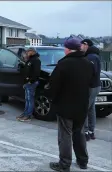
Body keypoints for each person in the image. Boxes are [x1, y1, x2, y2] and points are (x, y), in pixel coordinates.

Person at [49, 38, 95, 171]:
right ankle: (83, 161)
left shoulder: (64, 64)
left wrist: (53, 99)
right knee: (79, 134)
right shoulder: (88, 63)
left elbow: (54, 85)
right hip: (81, 106)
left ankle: (64, 164)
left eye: (65, 48)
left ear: (68, 49)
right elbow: (92, 83)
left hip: (65, 106)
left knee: (65, 136)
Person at [80, 39, 101, 141]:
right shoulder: (94, 55)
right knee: (91, 109)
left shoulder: (91, 56)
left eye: (82, 45)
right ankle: (91, 131)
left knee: (84, 109)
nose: (80, 47)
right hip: (95, 86)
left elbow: (90, 71)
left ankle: (85, 132)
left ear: (86, 45)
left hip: (90, 87)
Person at [17, 47, 41, 122]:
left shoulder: (36, 60)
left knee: (30, 100)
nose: (27, 53)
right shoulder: (30, 60)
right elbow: (27, 70)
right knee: (27, 99)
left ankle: (28, 116)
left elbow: (36, 72)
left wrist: (31, 81)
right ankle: (25, 113)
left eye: (28, 51)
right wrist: (22, 66)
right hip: (27, 82)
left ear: (32, 52)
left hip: (31, 83)